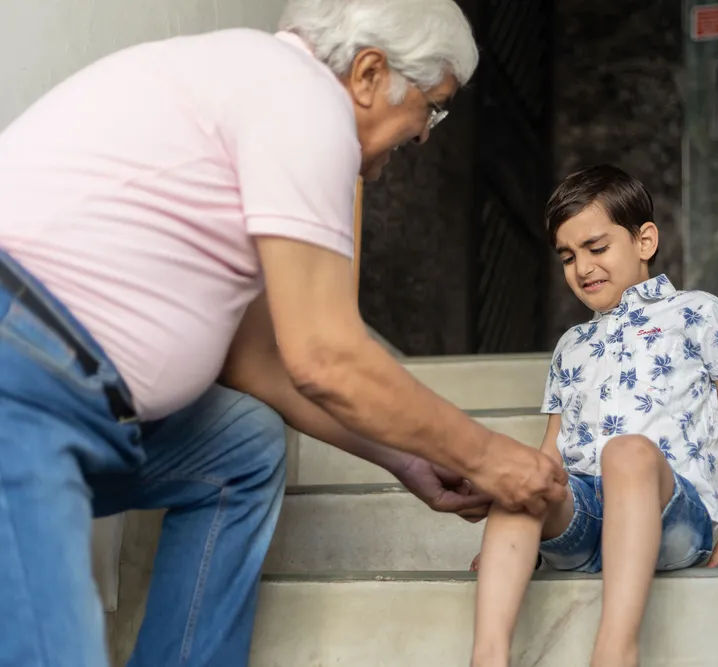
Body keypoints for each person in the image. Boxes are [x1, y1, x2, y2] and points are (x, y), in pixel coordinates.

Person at [0, 1, 569, 666]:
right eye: (433, 107)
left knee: (240, 447)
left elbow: (259, 361)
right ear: (368, 74)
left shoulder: (260, 95)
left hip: (70, 395)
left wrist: (408, 457)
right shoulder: (304, 102)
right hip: (25, 384)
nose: (424, 136)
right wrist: (486, 454)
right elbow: (324, 356)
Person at [469, 165, 718, 667]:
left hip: (671, 518)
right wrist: (519, 530)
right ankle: (488, 658)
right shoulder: (571, 345)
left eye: (596, 247)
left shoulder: (696, 312)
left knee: (626, 452)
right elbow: (552, 449)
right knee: (521, 472)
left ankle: (615, 651)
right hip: (585, 521)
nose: (582, 268)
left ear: (644, 240)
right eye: (568, 257)